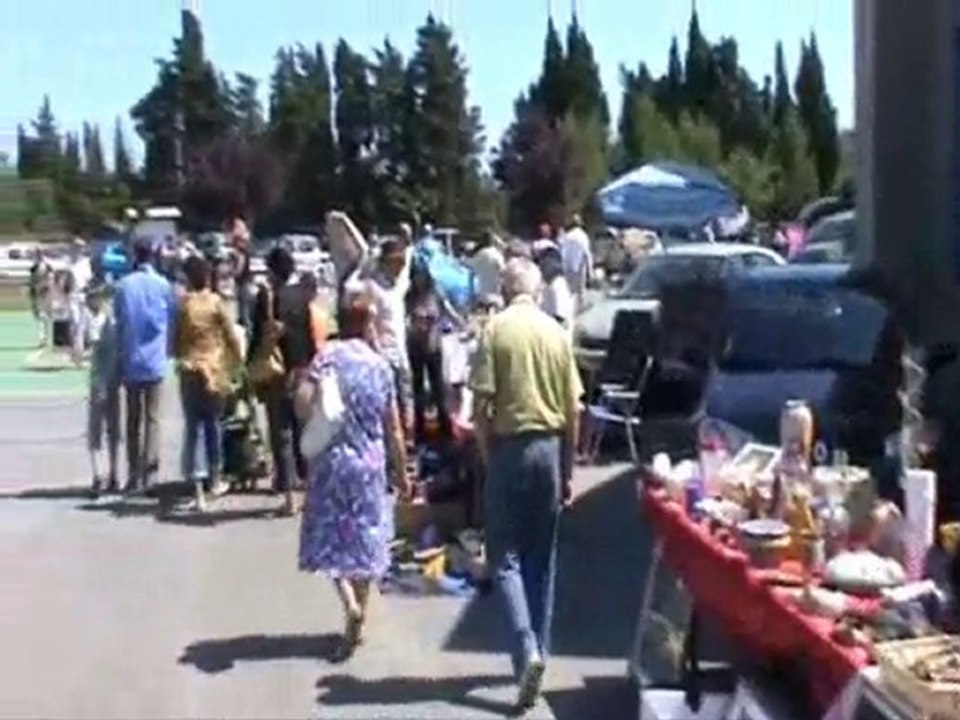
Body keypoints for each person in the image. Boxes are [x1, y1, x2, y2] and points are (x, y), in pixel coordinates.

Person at [470, 257, 583, 710]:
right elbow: (576, 409)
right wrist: (570, 468)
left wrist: (487, 454)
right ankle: (540, 651)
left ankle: (525, 649)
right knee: (542, 556)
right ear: (536, 290)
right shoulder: (556, 333)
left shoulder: (494, 330)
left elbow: (480, 409)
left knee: (505, 556)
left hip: (510, 446)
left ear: (503, 287)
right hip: (550, 448)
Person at [294, 294, 411, 660]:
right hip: (370, 465)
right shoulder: (379, 366)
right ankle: (358, 613)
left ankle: (350, 605)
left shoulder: (326, 358)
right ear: (367, 324)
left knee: (332, 539)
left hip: (332, 463)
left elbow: (301, 404)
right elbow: (393, 427)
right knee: (364, 538)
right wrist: (403, 472)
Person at [248, 245, 316, 515]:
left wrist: (251, 367)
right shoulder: (301, 297)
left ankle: (289, 496)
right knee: (305, 430)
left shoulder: (268, 298)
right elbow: (310, 336)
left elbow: (257, 337)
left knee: (281, 433)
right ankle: (309, 488)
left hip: (278, 373)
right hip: (301, 370)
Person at [174, 256, 243, 512]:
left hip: (190, 367)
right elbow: (230, 336)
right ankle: (215, 476)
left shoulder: (184, 305)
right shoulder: (216, 303)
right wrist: (236, 362)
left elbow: (176, 340)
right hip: (214, 368)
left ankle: (197, 484)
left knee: (193, 427)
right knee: (214, 424)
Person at [114, 238, 176, 493]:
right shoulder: (163, 285)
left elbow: (119, 323)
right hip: (155, 359)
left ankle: (133, 474)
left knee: (132, 421)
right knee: (153, 420)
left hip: (131, 358)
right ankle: (150, 474)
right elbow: (171, 319)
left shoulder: (123, 286)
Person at [406, 262, 465, 444]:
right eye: (415, 277)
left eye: (421, 277)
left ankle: (444, 427)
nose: (419, 281)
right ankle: (420, 428)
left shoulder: (435, 293)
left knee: (438, 387)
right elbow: (404, 317)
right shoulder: (409, 296)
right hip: (415, 347)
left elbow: (448, 311)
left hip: (433, 346)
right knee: (418, 390)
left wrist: (462, 324)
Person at [363, 238, 413, 438]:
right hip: (384, 358)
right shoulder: (373, 287)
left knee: (404, 406)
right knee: (389, 414)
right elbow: (369, 324)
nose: (400, 266)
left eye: (401, 262)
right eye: (395, 262)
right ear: (384, 262)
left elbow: (410, 254)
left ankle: (405, 450)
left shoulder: (398, 286)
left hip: (400, 355)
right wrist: (377, 354)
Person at [74, 283, 120, 497]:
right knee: (97, 429)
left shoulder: (109, 317)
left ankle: (113, 472)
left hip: (110, 378)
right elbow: (78, 349)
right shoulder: (86, 317)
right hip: (101, 379)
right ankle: (99, 474)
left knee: (112, 428)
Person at [537, 247, 575, 338]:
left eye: (544, 263)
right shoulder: (548, 284)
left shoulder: (558, 285)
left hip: (556, 337)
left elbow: (559, 318)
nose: (541, 266)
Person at [558, 214, 593, 311]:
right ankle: (581, 307)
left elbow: (562, 251)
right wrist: (590, 271)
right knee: (581, 289)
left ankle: (567, 308)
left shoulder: (568, 236)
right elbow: (587, 254)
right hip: (580, 265)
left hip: (567, 266)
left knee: (569, 290)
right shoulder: (583, 236)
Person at [469, 230, 506, 311]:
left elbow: (470, 271)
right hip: (495, 297)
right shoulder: (496, 255)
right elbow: (504, 272)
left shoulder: (478, 255)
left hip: (480, 296)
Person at [229, 216, 254, 329]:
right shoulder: (245, 251)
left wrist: (232, 273)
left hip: (243, 284)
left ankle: (247, 334)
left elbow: (239, 268)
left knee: (244, 314)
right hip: (245, 283)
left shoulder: (241, 252)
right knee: (243, 312)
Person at [29, 248, 53, 347]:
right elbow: (32, 280)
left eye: (39, 254)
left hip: (44, 293)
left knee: (43, 316)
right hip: (36, 293)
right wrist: (32, 291)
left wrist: (44, 288)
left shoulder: (47, 266)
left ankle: (43, 339)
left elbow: (50, 279)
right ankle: (43, 338)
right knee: (39, 316)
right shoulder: (34, 267)